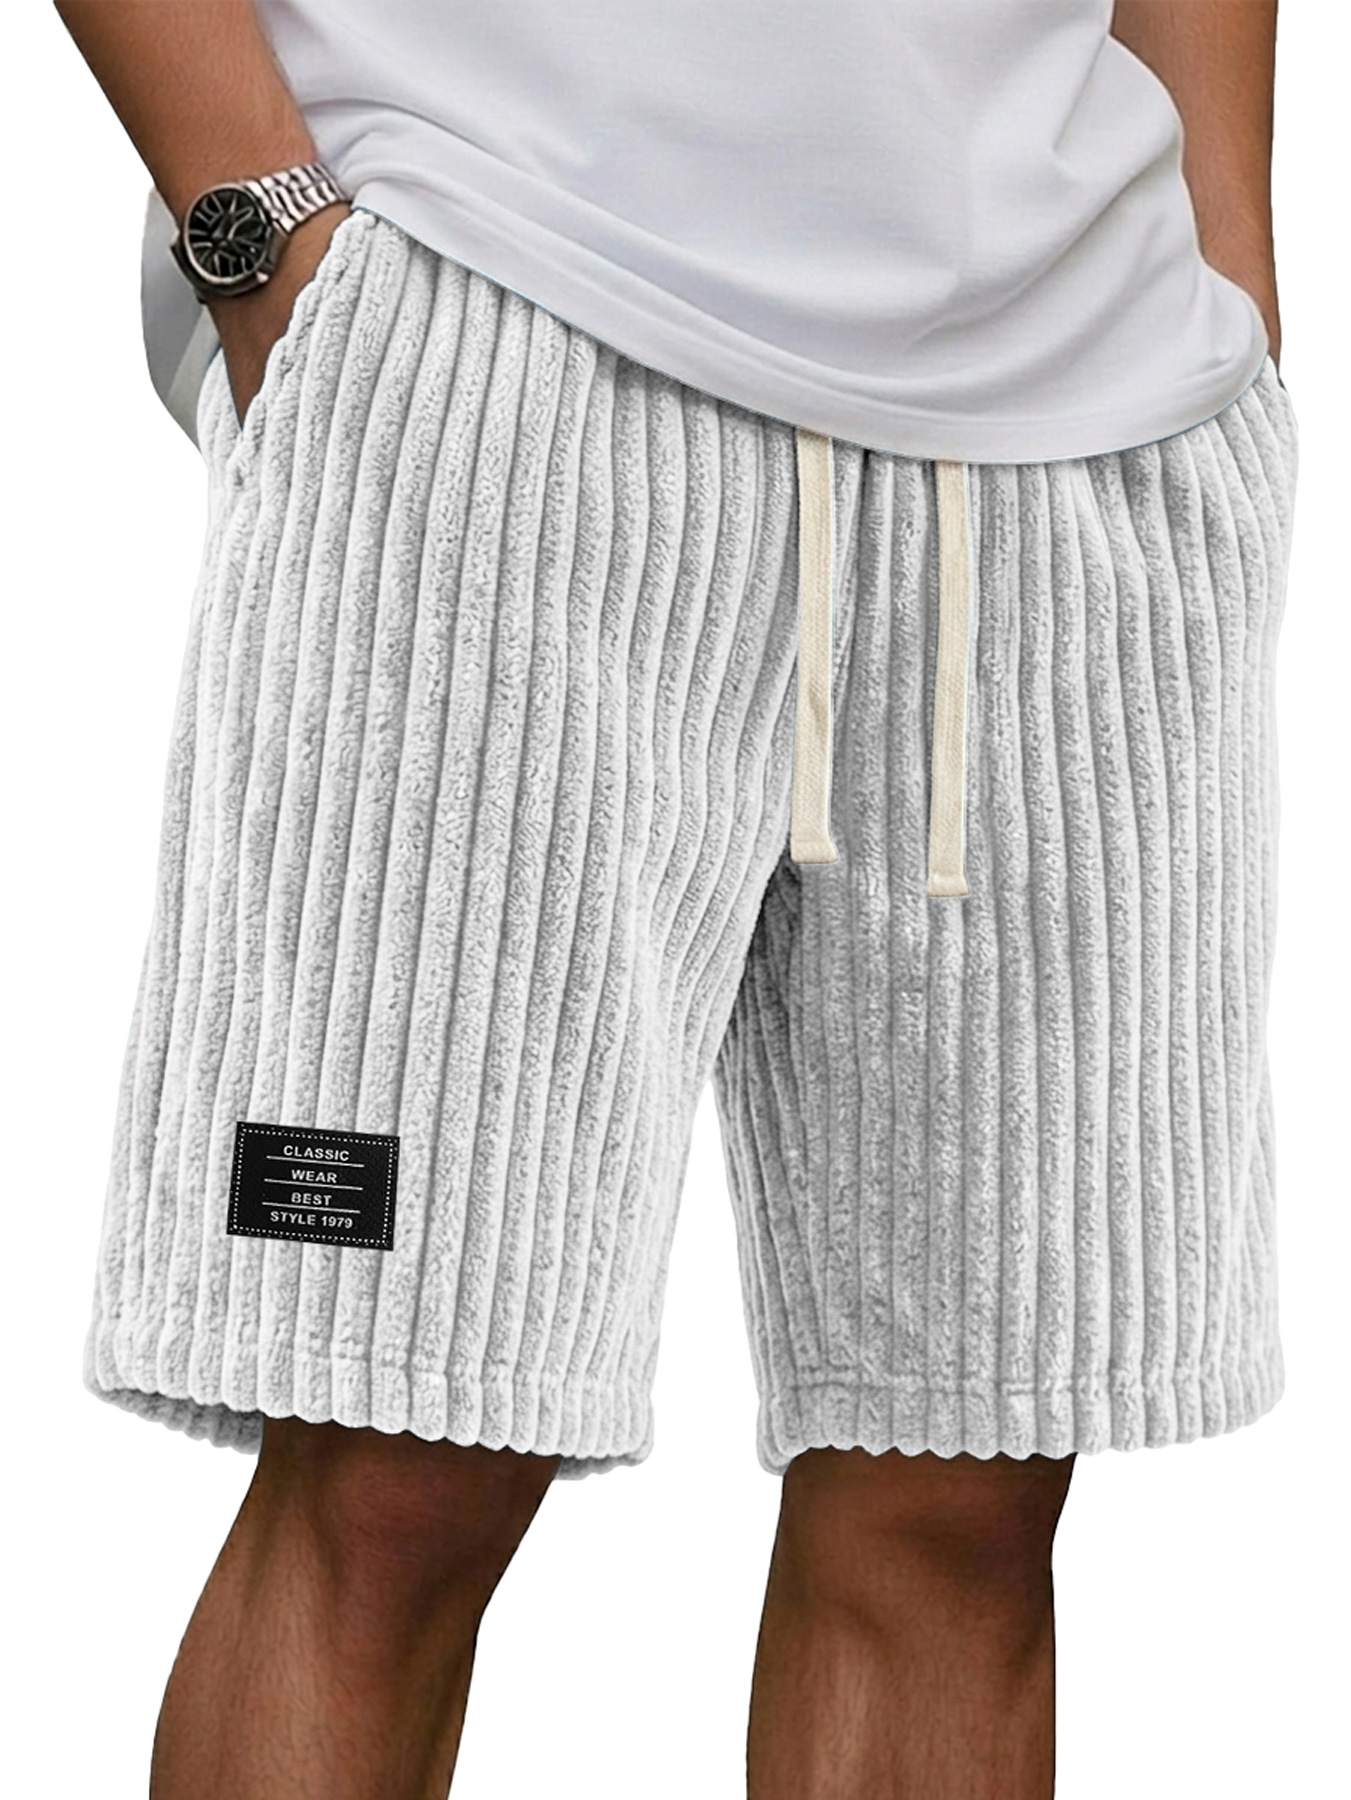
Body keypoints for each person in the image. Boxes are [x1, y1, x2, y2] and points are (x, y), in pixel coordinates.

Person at [57, 3, 1296, 1796]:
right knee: (396, 1462)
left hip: (1076, 401)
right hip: (507, 315)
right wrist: (258, 231)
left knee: (964, 1496)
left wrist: (1227, 267)